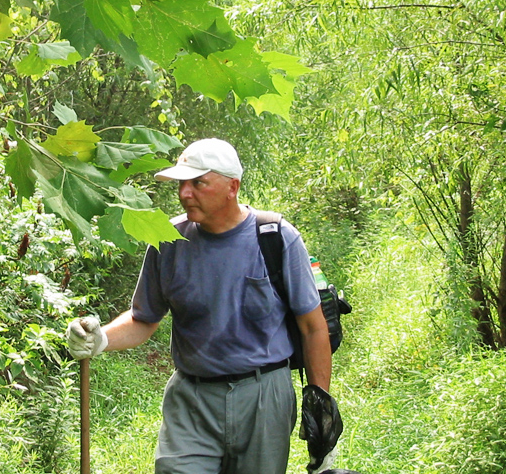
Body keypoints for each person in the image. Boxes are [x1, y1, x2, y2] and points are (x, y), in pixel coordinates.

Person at [66, 138, 333, 474]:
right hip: (192, 400)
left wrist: (321, 416)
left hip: (264, 397)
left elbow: (313, 327)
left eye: (197, 183)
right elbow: (142, 318)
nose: (184, 193)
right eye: (181, 183)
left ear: (231, 186)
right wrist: (99, 338)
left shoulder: (276, 237)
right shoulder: (168, 240)